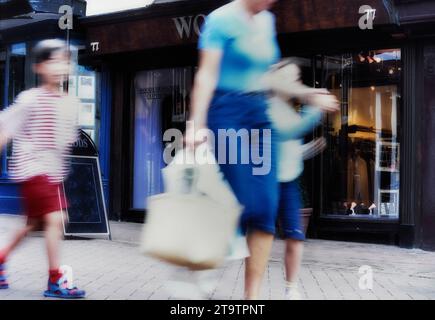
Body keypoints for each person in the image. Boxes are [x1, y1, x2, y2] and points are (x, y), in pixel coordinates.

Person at [186, 0, 332, 299]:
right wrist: (196, 122)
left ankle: (251, 299)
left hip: (259, 113)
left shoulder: (267, 21)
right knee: (245, 201)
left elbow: (268, 77)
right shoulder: (221, 20)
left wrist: (307, 94)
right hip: (226, 111)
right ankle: (206, 259)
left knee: (265, 206)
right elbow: (206, 75)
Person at [0, 39, 85, 299]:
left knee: (34, 224)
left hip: (53, 173)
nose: (61, 67)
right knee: (56, 220)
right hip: (35, 169)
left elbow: (66, 140)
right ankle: (55, 280)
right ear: (39, 67)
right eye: (55, 61)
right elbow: (5, 129)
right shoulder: (30, 99)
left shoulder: (70, 102)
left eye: (66, 62)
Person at [266, 59, 338, 300]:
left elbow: (288, 147)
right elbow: (289, 130)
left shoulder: (288, 110)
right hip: (265, 182)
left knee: (295, 236)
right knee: (259, 236)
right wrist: (316, 104)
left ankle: (291, 287)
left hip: (288, 182)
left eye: (297, 79)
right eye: (291, 79)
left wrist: (308, 149)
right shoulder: (269, 107)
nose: (296, 83)